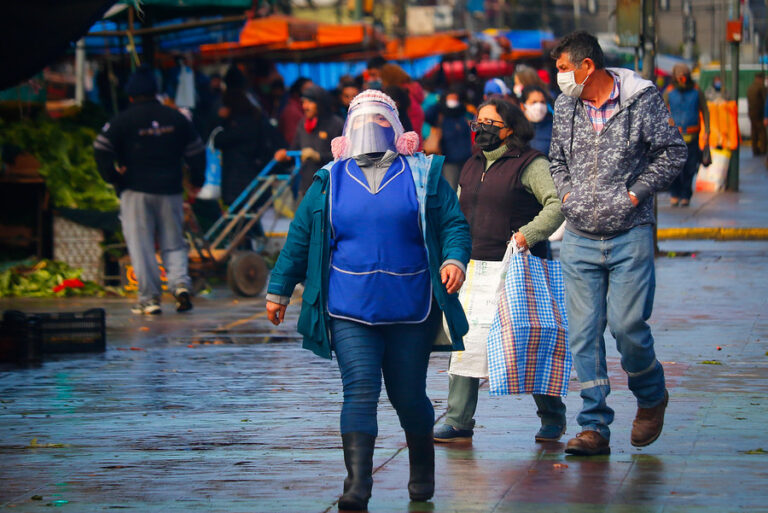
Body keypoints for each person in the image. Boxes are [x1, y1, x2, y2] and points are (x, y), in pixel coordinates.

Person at [264, 90, 471, 510]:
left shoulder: (424, 174)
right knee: (359, 390)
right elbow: (300, 237)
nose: (369, 129)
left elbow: (454, 225)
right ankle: (356, 487)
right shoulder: (329, 180)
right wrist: (279, 290)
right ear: (347, 129)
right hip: (349, 306)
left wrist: (453, 260)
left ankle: (422, 469)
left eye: (378, 120)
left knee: (408, 396)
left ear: (395, 127)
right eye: (360, 121)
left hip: (411, 305)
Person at [549, 31, 686, 456]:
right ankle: (593, 425)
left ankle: (651, 394)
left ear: (587, 66)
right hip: (579, 238)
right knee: (583, 334)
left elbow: (673, 153)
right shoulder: (565, 105)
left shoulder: (641, 100)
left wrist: (634, 195)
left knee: (627, 328)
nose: (559, 77)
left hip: (630, 234)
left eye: (563, 68)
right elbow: (557, 159)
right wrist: (567, 196)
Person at [433, 98, 567, 444]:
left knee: (526, 339)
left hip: (517, 268)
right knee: (466, 342)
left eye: (490, 123)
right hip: (472, 267)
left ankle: (552, 415)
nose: (481, 129)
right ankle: (458, 420)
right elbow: (456, 213)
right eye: (478, 122)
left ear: (510, 128)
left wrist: (528, 234)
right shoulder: (470, 164)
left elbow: (556, 204)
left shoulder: (531, 163)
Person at [94, 66, 206, 315]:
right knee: (173, 242)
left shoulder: (122, 120)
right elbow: (197, 151)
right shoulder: (176, 118)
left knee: (141, 245)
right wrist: (197, 181)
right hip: (171, 190)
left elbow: (101, 149)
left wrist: (113, 177)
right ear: (156, 92)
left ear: (131, 95)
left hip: (135, 191)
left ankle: (149, 299)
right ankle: (180, 285)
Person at [213, 88, 283, 207]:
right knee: (249, 210)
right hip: (252, 172)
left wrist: (221, 119)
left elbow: (219, 140)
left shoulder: (238, 123)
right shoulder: (255, 117)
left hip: (238, 177)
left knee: (240, 209)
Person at [274, 85, 344, 197]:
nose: (305, 106)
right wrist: (285, 156)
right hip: (307, 187)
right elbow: (294, 150)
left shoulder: (336, 124)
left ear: (320, 103)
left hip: (329, 188)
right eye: (303, 102)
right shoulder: (303, 124)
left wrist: (318, 156)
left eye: (310, 102)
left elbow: (344, 157)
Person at [663, 64, 710, 207]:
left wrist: (707, 131)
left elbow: (705, 110)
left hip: (693, 135)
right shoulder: (669, 91)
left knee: (690, 167)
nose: (682, 80)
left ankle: (685, 195)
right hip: (674, 136)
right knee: (674, 167)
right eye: (679, 77)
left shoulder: (696, 91)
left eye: (684, 77)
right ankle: (675, 193)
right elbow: (661, 111)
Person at [424, 86, 474, 190]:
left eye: (455, 98)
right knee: (452, 187)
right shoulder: (440, 115)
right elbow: (427, 115)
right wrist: (439, 104)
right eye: (451, 98)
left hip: (465, 158)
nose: (453, 101)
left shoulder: (463, 113)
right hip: (448, 160)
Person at [520, 85, 554, 157]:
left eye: (542, 102)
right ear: (522, 106)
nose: (539, 107)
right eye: (534, 102)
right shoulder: (516, 128)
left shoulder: (554, 127)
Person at [747, 73, 767, 156]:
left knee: (754, 132)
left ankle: (755, 149)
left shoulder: (750, 87)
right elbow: (765, 100)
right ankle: (763, 149)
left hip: (751, 113)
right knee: (762, 132)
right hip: (759, 113)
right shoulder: (761, 87)